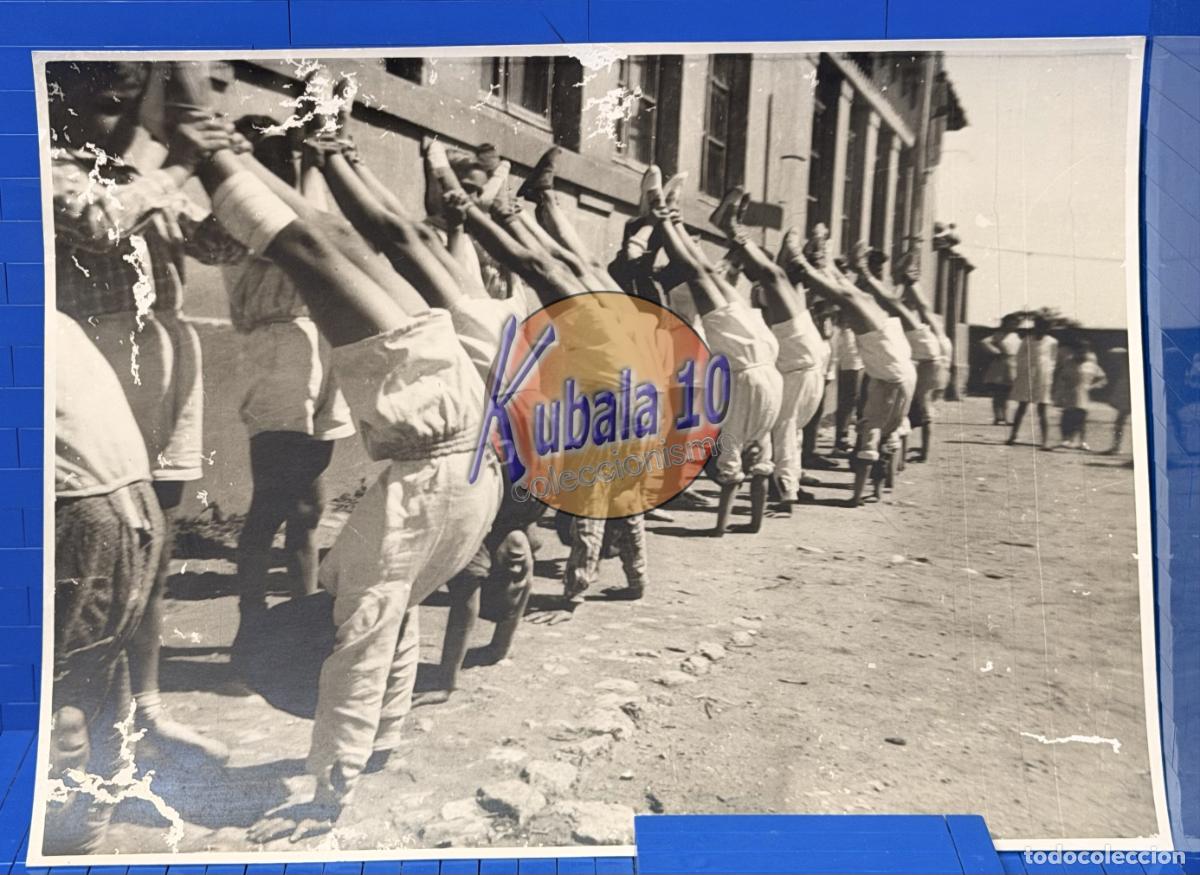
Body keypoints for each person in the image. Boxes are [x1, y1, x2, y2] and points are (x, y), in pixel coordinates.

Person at [154, 61, 502, 840]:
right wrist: (341, 769)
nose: (294, 602)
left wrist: (357, 760)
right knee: (315, 248)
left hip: (452, 433)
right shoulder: (365, 587)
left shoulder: (365, 576)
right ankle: (213, 144)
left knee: (332, 246)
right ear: (309, 626)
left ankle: (230, 142)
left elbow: (377, 642)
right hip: (433, 422)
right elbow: (364, 651)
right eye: (290, 617)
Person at [48, 60, 237, 764]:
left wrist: (221, 165)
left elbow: (220, 245)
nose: (125, 121)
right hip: (97, 363)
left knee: (155, 539)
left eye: (133, 105)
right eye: (109, 104)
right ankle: (101, 714)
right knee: (109, 549)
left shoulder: (147, 167)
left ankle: (146, 707)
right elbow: (99, 224)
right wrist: (176, 156)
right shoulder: (53, 162)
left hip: (165, 358)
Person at [226, 115, 356, 640]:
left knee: (310, 507)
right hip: (280, 349)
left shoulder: (288, 198)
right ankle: (252, 629)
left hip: (319, 344)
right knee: (274, 503)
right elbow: (305, 230)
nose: (284, 161)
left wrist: (316, 153)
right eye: (276, 153)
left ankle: (300, 627)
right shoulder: (240, 206)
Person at [47, 313, 165, 856]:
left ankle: (57, 836)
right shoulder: (56, 318)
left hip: (85, 512)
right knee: (98, 672)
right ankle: (83, 834)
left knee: (61, 697)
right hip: (130, 503)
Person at [776, 230, 915, 507]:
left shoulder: (880, 424)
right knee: (858, 301)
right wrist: (872, 491)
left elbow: (871, 454)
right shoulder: (883, 423)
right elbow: (874, 455)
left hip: (896, 366)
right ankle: (823, 266)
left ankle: (812, 265)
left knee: (854, 301)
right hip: (893, 369)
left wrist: (858, 496)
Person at [1007, 316, 1058, 448]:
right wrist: (1023, 372)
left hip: (1043, 378)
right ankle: (1013, 436)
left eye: (1045, 327)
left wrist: (1047, 375)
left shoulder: (1052, 342)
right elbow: (1019, 357)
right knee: (1021, 407)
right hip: (1027, 376)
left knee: (1042, 409)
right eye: (1039, 326)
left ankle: (1045, 441)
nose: (1041, 329)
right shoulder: (1027, 340)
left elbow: (1053, 361)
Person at [1054, 340, 1107, 450]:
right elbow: (1062, 377)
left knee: (1081, 419)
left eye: (1084, 350)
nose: (1082, 353)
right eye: (1079, 350)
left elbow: (1103, 379)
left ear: (1087, 352)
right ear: (1075, 351)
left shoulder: (1091, 365)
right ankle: (1066, 440)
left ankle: (1082, 442)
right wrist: (1060, 392)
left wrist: (1092, 386)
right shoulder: (1068, 362)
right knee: (1067, 417)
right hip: (1068, 394)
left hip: (1083, 395)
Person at [980, 315, 1022, 424]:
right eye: (1011, 323)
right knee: (998, 392)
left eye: (1015, 323)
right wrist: (995, 351)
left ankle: (1006, 417)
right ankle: (998, 417)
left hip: (1013, 364)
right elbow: (984, 342)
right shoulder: (998, 335)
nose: (1013, 325)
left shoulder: (1016, 336)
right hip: (1001, 364)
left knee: (1007, 393)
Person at [832, 310, 863, 452]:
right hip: (851, 365)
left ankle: (846, 437)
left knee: (854, 402)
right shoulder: (846, 333)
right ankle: (841, 438)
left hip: (858, 363)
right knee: (848, 401)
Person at [1103, 347, 1132, 455]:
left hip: (1129, 393)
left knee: (1120, 421)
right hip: (1126, 394)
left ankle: (1117, 446)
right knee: (1119, 421)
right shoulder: (1125, 364)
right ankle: (1116, 446)